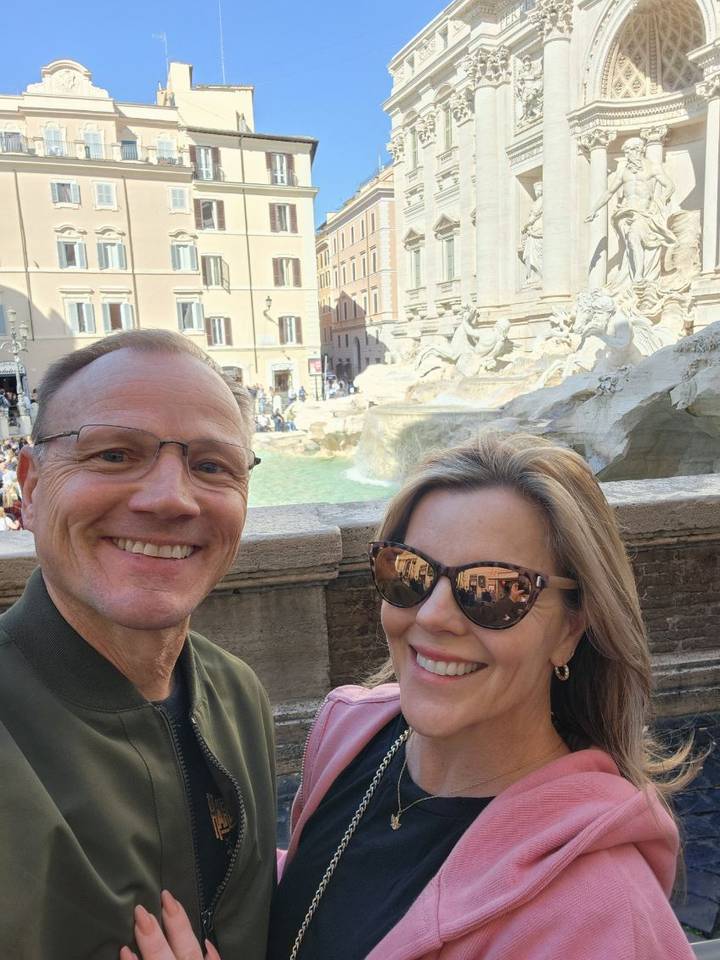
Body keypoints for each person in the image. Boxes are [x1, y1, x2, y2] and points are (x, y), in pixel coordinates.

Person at [133, 433, 698, 960]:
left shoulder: (602, 916)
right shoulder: (348, 735)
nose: (433, 616)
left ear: (572, 627)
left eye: (493, 590)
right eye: (409, 572)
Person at [0, 329, 276, 960]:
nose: (171, 498)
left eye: (212, 466)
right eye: (114, 454)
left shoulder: (239, 694)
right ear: (31, 488)